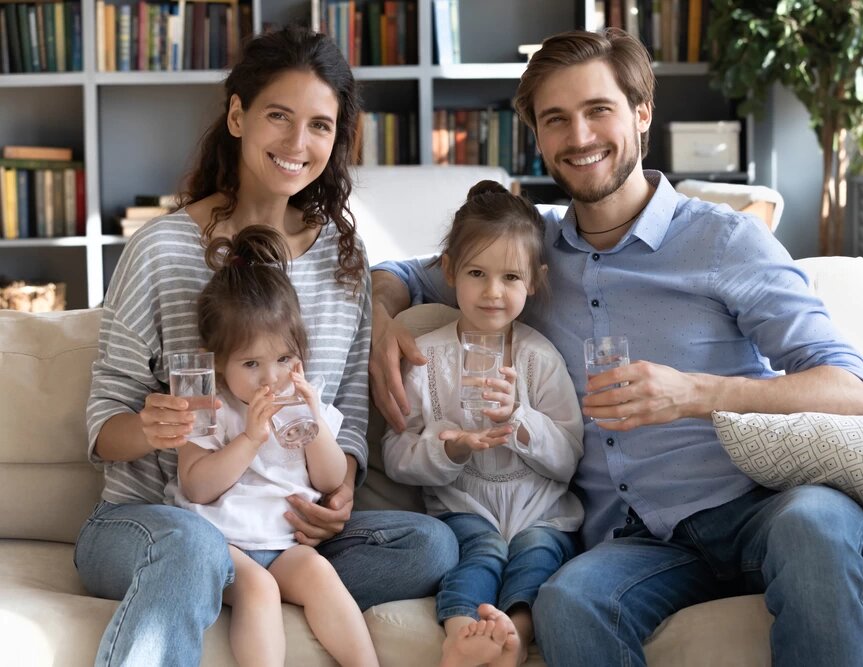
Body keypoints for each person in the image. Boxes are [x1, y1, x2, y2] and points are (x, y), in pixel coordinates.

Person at [369, 28, 863, 667]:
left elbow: (853, 392)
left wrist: (698, 393)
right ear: (538, 137)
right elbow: (405, 270)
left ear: (642, 114)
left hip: (761, 507)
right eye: (556, 120)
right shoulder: (528, 256)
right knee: (568, 602)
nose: (578, 137)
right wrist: (381, 315)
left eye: (598, 111)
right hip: (636, 541)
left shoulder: (725, 242)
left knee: (816, 528)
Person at [75, 26, 456, 667]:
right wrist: (151, 427)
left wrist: (340, 498)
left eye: (320, 126)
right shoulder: (161, 250)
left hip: (277, 529)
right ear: (236, 114)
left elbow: (347, 420)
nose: (297, 143)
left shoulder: (343, 257)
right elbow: (101, 429)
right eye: (278, 116)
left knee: (431, 547)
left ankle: (246, 583)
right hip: (155, 520)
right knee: (193, 548)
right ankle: (217, 579)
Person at [381, 181, 584, 667]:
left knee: (539, 550)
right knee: (482, 552)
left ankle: (515, 631)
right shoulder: (426, 358)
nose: (493, 293)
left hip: (541, 511)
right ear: (449, 271)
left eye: (511, 278)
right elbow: (395, 454)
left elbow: (568, 459)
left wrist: (520, 419)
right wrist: (448, 449)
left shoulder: (539, 358)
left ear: (533, 281)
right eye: (477, 273)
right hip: (463, 507)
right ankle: (462, 633)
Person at [171, 225, 378, 667]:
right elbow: (197, 488)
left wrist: (315, 420)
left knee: (320, 573)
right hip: (219, 543)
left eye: (284, 360)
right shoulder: (208, 406)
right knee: (259, 589)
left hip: (283, 544)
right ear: (218, 361)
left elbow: (329, 479)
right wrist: (249, 438)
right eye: (251, 364)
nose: (271, 378)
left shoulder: (305, 400)